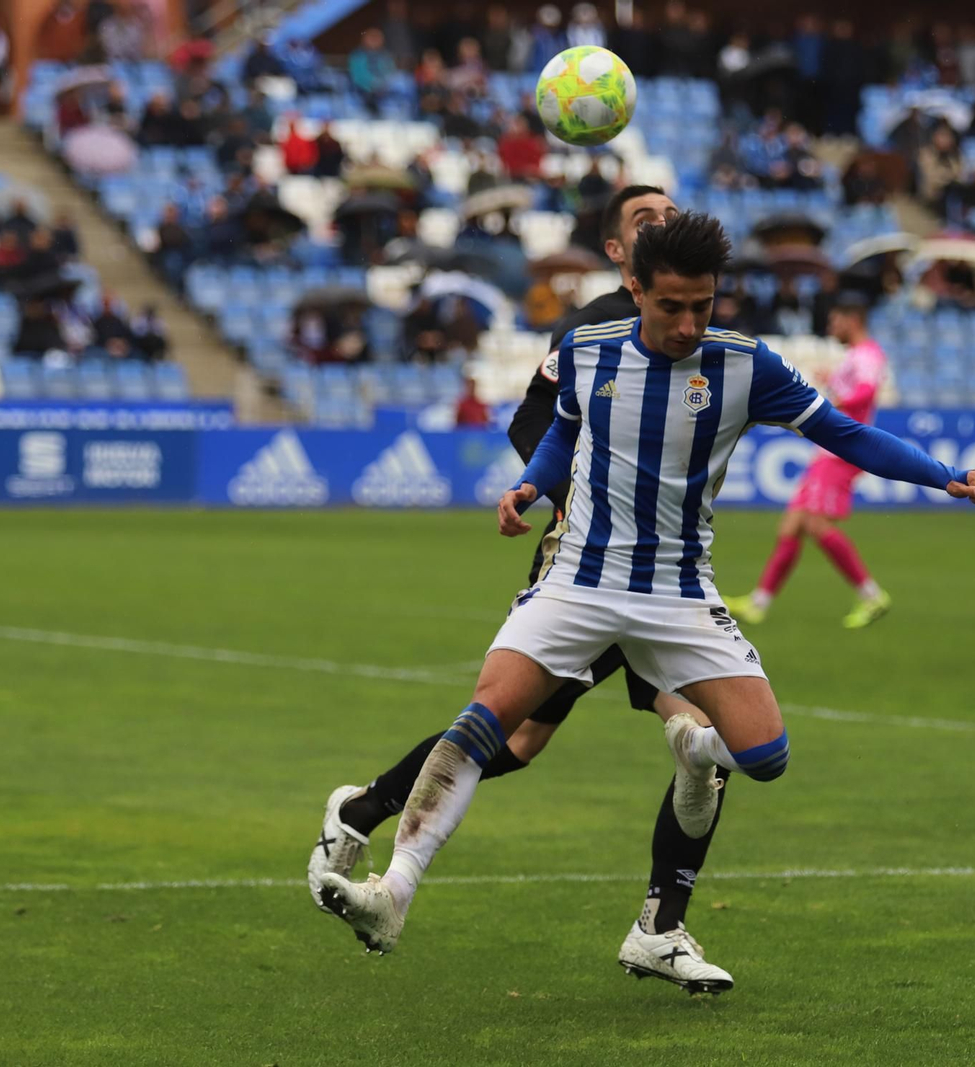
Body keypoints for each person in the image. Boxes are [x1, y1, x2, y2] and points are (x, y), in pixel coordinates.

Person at [311, 212, 975, 961]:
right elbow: (563, 429)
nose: (688, 323)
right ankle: (393, 891)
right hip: (580, 579)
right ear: (635, 290)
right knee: (488, 719)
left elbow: (847, 433)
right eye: (671, 306)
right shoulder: (588, 348)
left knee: (766, 755)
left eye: (702, 305)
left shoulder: (746, 365)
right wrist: (529, 485)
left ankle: (697, 752)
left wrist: (945, 476)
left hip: (678, 591)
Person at [311, 187, 751, 994]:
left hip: (664, 579)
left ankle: (660, 927)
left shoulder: (702, 334)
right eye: (642, 219)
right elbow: (538, 420)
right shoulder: (591, 329)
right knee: (514, 737)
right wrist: (556, 484)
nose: (660, 224)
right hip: (585, 567)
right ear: (617, 252)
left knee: (698, 736)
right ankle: (364, 812)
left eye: (668, 213)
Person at [722, 295, 893, 630]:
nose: (831, 327)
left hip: (843, 451)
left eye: (835, 320)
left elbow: (866, 392)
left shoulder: (867, 354)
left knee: (816, 523)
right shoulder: (856, 356)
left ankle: (872, 595)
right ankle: (759, 603)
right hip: (830, 450)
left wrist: (833, 403)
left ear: (852, 320)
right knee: (791, 526)